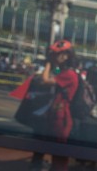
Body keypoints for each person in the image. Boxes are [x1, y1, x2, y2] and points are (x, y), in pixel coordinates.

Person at [35, 40, 79, 171]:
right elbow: (55, 72)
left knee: (59, 155)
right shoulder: (63, 71)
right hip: (56, 112)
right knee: (53, 150)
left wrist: (47, 63)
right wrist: (52, 64)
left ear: (66, 56)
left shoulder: (69, 74)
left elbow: (45, 80)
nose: (55, 57)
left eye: (58, 54)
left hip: (62, 115)